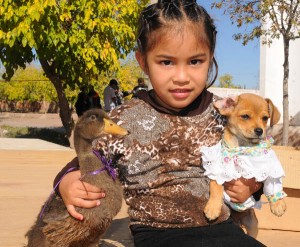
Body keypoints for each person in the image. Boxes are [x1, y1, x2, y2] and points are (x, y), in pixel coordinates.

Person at [54, 1, 265, 246]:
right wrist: (67, 183)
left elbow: (257, 160)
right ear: (143, 61)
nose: (182, 77)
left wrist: (251, 187)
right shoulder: (123, 120)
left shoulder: (224, 114)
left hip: (223, 228)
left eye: (195, 61)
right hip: (159, 234)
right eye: (166, 62)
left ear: (210, 57)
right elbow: (84, 159)